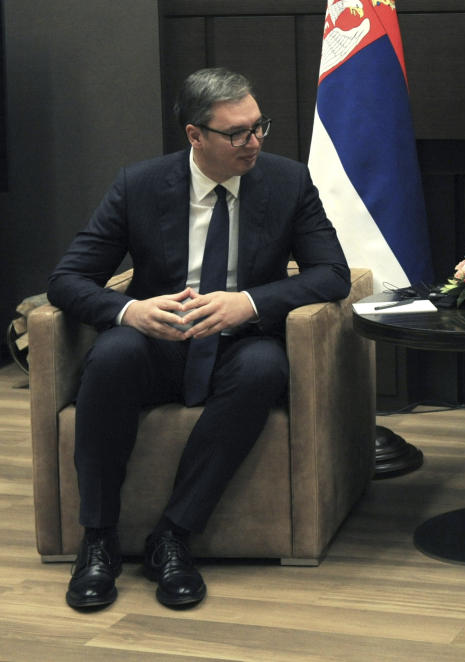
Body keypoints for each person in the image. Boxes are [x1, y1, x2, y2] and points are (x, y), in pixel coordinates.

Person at [48, 67, 351, 610]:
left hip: (241, 339)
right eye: (236, 133)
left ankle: (173, 535)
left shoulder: (287, 181)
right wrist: (130, 310)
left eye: (259, 127)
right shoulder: (137, 185)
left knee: (264, 369)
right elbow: (66, 279)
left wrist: (250, 302)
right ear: (195, 136)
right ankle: (98, 541)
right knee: (112, 355)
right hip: (157, 342)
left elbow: (332, 274)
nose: (253, 142)